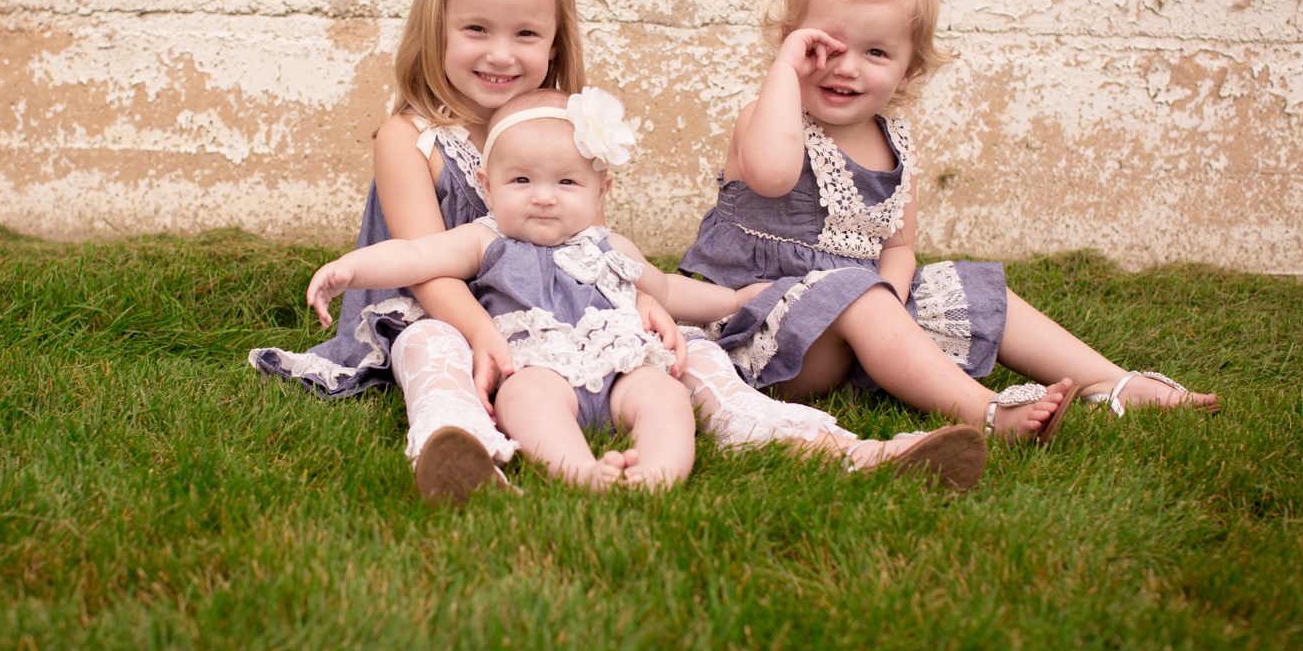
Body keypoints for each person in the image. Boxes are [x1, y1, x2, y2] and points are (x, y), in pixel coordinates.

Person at [252, 0, 984, 500]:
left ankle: (836, 446)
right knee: (432, 347)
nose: (501, 54)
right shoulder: (409, 136)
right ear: (436, 31)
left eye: (525, 34)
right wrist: (482, 336)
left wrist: (647, 302)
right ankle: (460, 448)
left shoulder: (563, 122)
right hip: (446, 307)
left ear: (554, 42)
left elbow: (593, 247)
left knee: (688, 351)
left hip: (567, 315)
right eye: (476, 30)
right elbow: (424, 265)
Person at [678, 0, 1219, 440]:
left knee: (969, 288)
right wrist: (784, 70)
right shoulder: (767, 118)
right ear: (793, 42)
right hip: (764, 331)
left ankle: (1112, 382)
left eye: (876, 52)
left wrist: (892, 298)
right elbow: (773, 177)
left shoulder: (895, 142)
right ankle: (987, 412)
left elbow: (899, 247)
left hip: (863, 322)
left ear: (908, 69)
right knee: (857, 293)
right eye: (826, 47)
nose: (846, 66)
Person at [305, 89, 985, 492]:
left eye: (566, 183)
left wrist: (738, 301)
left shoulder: (613, 247)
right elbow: (416, 254)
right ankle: (579, 471)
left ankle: (663, 474)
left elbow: (669, 291)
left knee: (667, 398)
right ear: (487, 185)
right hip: (535, 366)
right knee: (527, 401)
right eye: (521, 182)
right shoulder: (485, 239)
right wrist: (350, 269)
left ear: (602, 190)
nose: (543, 198)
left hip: (626, 367)